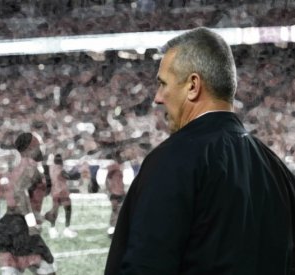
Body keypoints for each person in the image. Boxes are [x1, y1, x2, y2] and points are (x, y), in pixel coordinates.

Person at [105, 27, 295, 274]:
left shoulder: (172, 160)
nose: (157, 97)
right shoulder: (278, 169)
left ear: (193, 86)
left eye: (163, 84)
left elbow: (145, 265)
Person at [0, 132, 56, 275]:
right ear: (31, 148)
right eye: (39, 145)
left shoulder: (18, 168)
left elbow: (16, 199)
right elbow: (19, 192)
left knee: (12, 271)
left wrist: (41, 216)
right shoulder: (30, 167)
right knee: (48, 268)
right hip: (20, 226)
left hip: (7, 224)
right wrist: (31, 222)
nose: (42, 148)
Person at [44, 154, 78, 239]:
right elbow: (71, 176)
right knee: (68, 210)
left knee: (55, 211)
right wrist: (76, 169)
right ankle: (67, 229)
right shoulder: (60, 169)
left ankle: (52, 229)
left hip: (55, 191)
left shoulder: (51, 168)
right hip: (63, 192)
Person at [105, 151, 125, 238]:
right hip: (115, 193)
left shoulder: (117, 170)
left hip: (119, 193)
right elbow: (109, 181)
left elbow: (119, 183)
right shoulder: (114, 170)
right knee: (115, 212)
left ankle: (115, 229)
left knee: (117, 212)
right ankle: (112, 230)